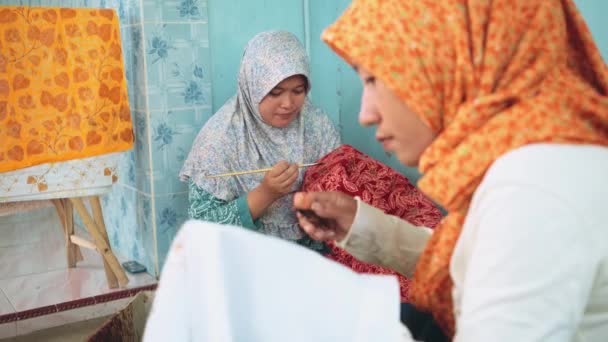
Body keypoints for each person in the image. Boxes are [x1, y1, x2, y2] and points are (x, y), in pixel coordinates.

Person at [149, 0, 608, 341]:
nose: (364, 113)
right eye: (275, 93)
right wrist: (357, 222)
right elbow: (469, 258)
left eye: (373, 80)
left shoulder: (531, 191)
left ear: (444, 67)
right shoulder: (524, 158)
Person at [179, 30, 340, 252]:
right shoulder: (219, 139)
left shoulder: (316, 125)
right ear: (252, 86)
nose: (288, 103)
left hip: (311, 260)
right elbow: (201, 231)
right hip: (244, 261)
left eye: (298, 91)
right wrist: (266, 193)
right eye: (275, 92)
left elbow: (341, 198)